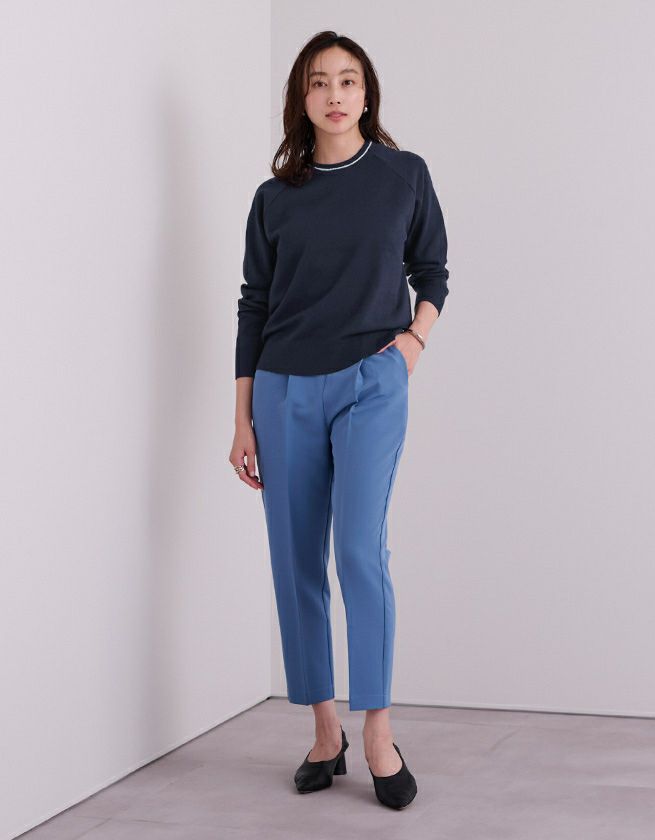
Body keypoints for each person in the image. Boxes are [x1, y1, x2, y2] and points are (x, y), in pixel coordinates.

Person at [229, 30, 449, 810]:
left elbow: (433, 270)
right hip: (283, 388)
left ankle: (379, 732)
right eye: (319, 81)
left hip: (371, 383)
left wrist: (412, 343)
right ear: (302, 96)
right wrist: (243, 418)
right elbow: (254, 306)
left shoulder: (403, 174)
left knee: (359, 552)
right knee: (296, 563)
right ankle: (326, 731)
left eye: (348, 80)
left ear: (366, 93)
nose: (334, 94)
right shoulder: (274, 199)